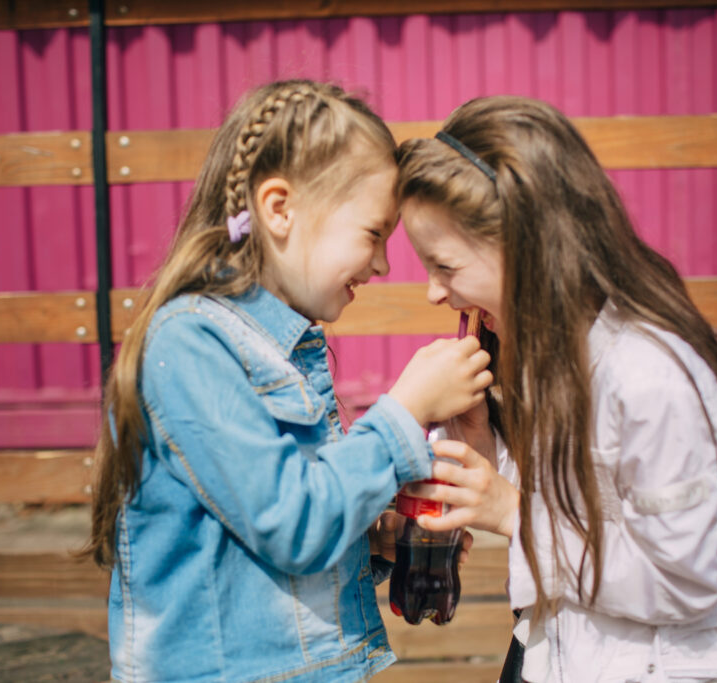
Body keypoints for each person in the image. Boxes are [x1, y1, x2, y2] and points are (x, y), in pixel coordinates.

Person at [83, 79, 493, 683]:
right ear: (279, 209)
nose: (382, 264)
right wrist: (405, 411)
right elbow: (290, 523)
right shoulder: (191, 346)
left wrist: (371, 540)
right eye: (373, 234)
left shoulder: (288, 349)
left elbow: (283, 516)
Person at [395, 96, 717, 682]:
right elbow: (584, 499)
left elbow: (686, 579)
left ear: (527, 246)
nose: (435, 293)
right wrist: (481, 444)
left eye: (446, 267)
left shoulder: (650, 376)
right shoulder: (556, 357)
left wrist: (515, 514)